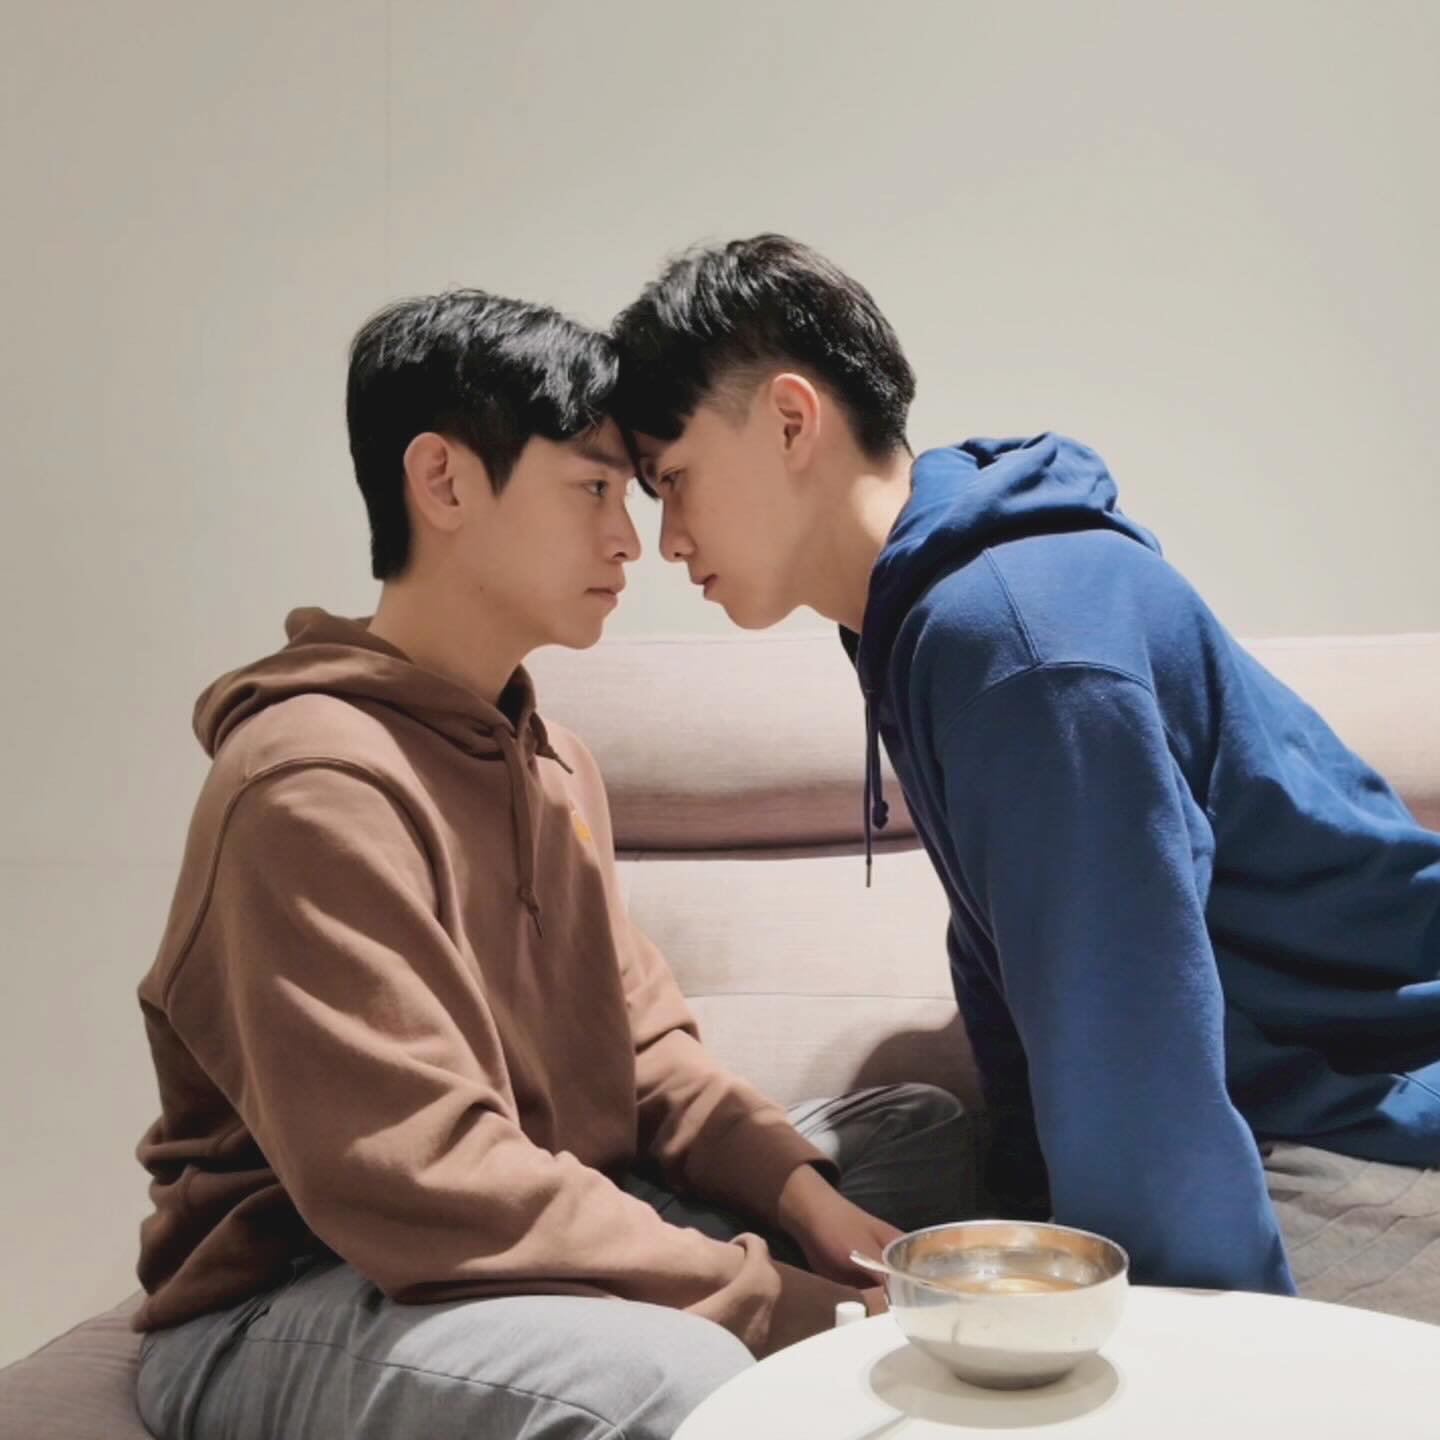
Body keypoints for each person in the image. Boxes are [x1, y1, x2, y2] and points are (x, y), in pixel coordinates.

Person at [131, 288, 974, 1440]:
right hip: (314, 1284)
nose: (632, 541)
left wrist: (800, 1201)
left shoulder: (556, 762)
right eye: (592, 491)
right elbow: (423, 1180)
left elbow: (649, 1060)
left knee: (918, 1132)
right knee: (673, 1378)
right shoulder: (309, 784)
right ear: (443, 482)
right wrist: (782, 1304)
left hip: (530, 1210)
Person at [610, 234, 1440, 1318]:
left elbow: (1132, 1056)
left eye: (673, 480)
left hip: (1373, 1123)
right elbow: (1012, 957)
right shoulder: (931, 617)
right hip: (1292, 1109)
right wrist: (1023, 1201)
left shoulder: (1017, 638)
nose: (667, 540)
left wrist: (1172, 1357)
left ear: (790, 420)